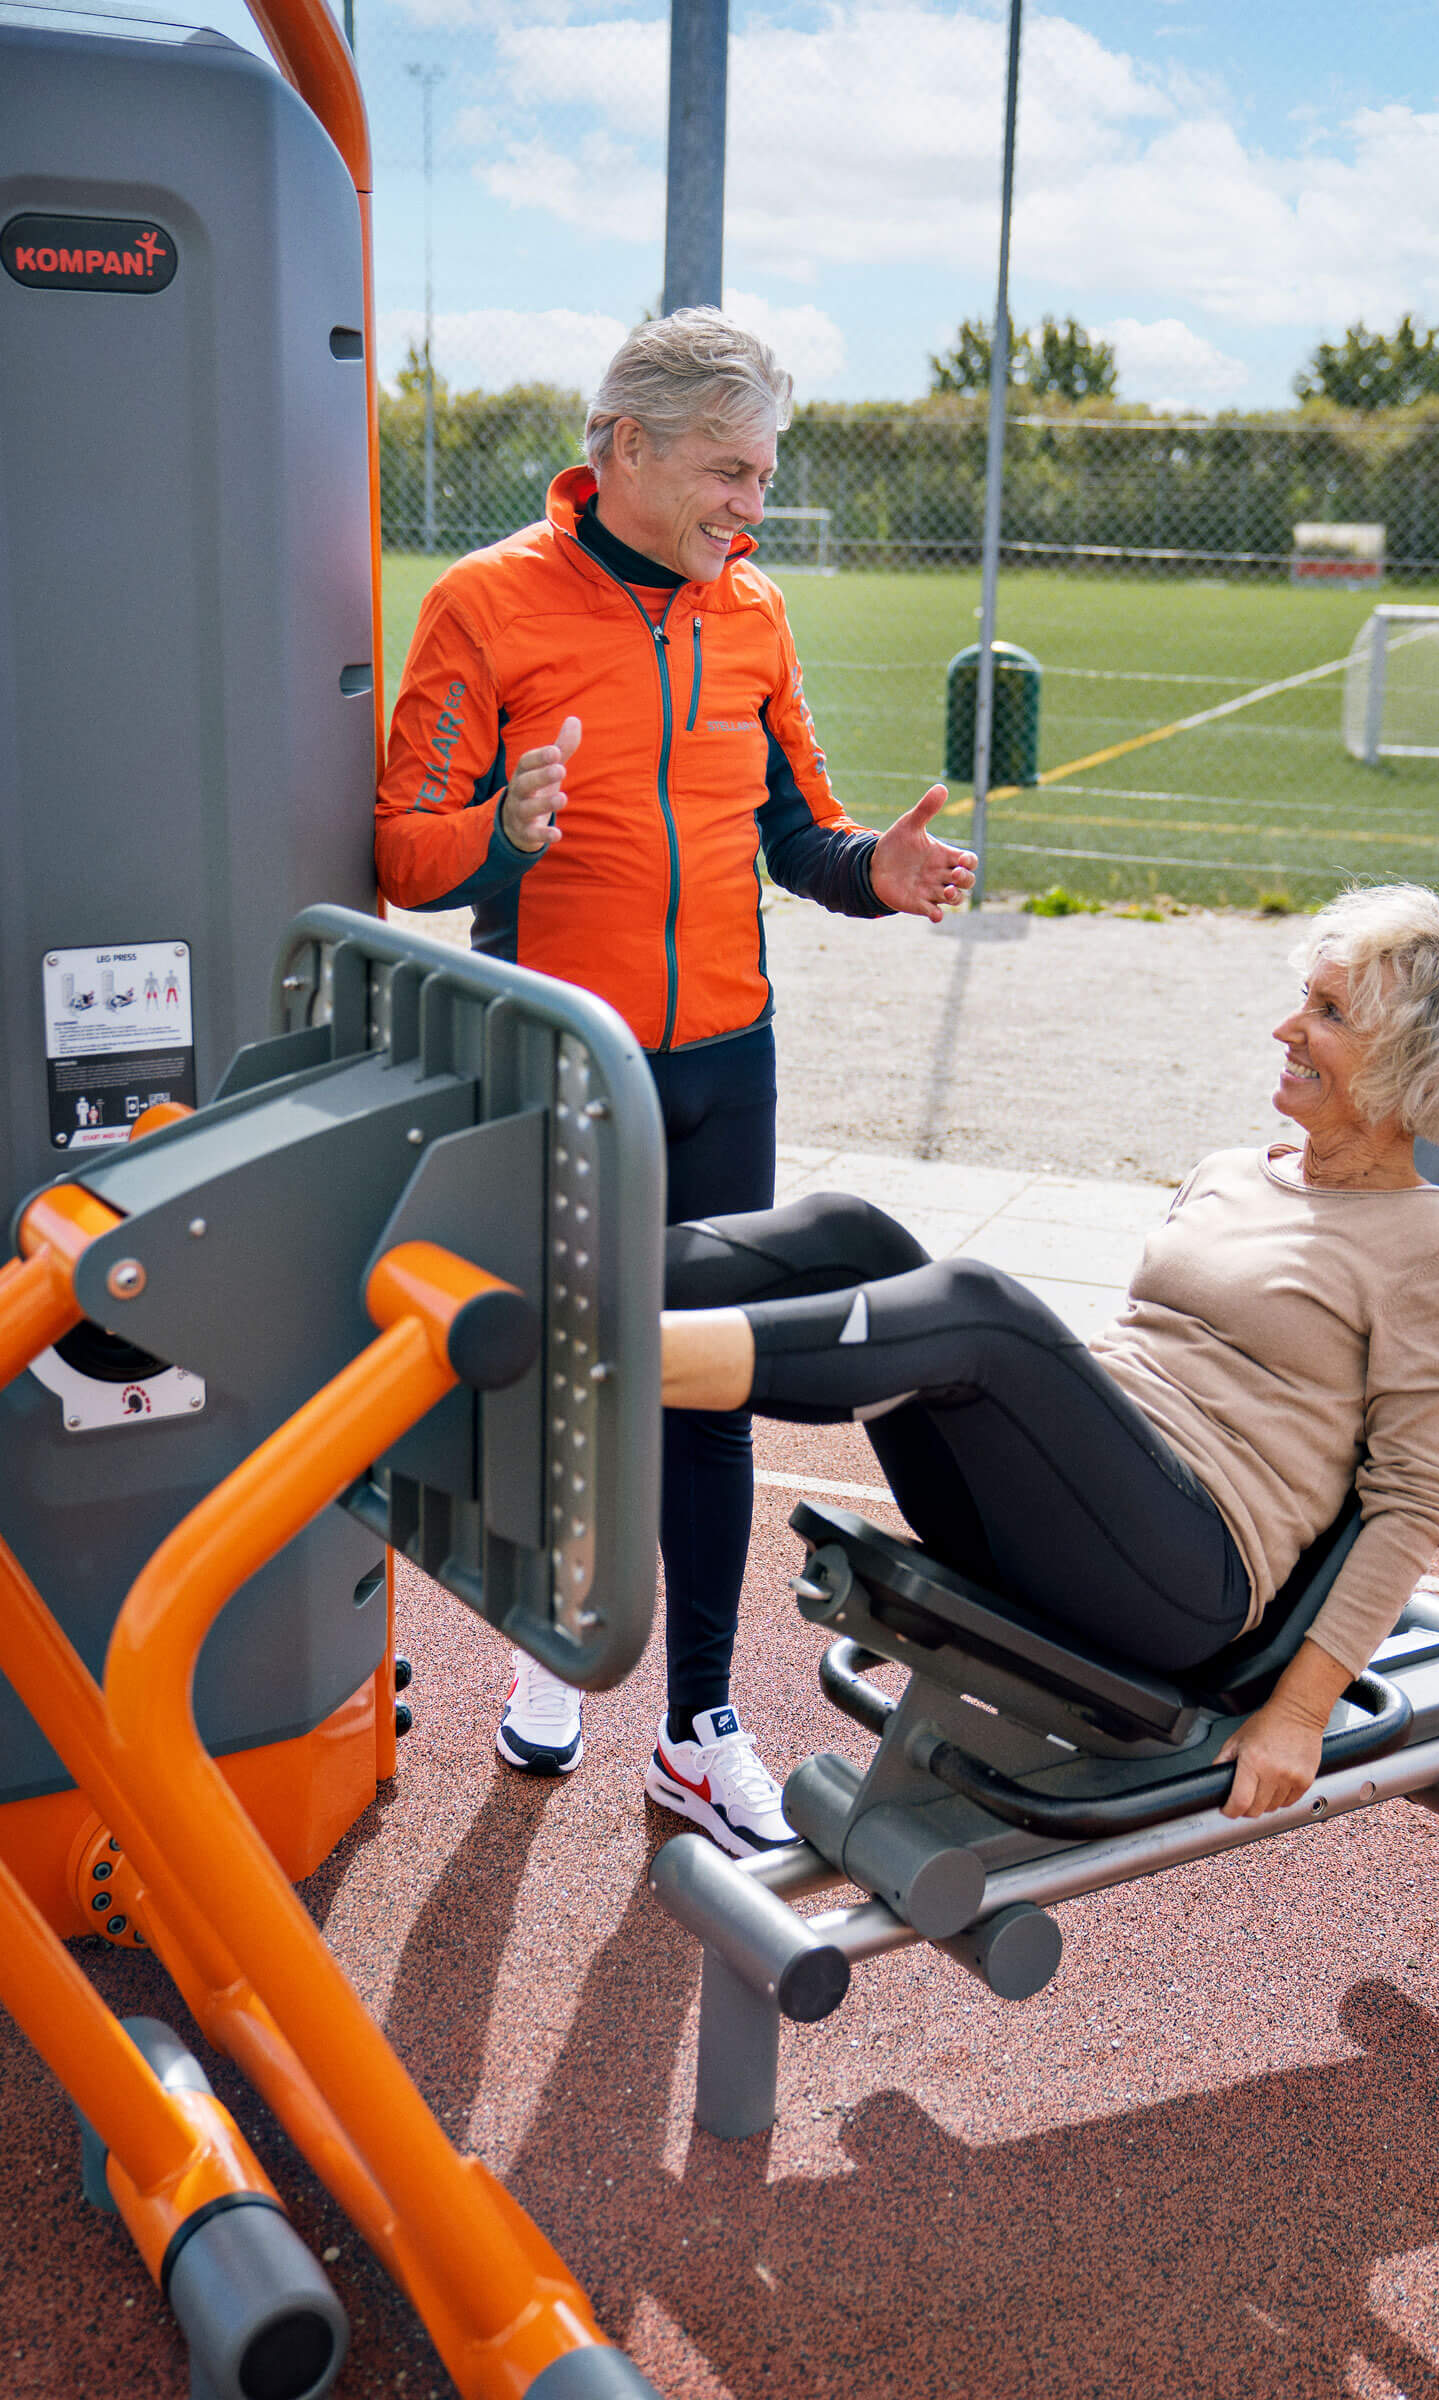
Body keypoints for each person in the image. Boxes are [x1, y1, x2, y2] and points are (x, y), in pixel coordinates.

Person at [375, 308, 976, 1856]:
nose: (751, 505)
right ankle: (553, 1635)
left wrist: (877, 873)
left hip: (726, 1067)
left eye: (763, 474)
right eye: (729, 471)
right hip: (555, 1069)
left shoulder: (753, 612)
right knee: (550, 1370)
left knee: (711, 1387)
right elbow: (404, 854)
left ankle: (700, 1730)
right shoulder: (485, 603)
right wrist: (505, 835)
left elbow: (801, 837)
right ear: (626, 448)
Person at [657, 885, 1439, 1820]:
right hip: (1062, 1521)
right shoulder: (1232, 1172)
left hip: (1180, 1578)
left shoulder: (1438, 1249)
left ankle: (628, 1361)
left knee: (979, 1311)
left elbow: (1411, 1503)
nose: (1287, 1027)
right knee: (850, 1233)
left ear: (1409, 1062)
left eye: (1329, 1013)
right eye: (1303, 999)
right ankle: (581, 1292)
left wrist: (1301, 1712)